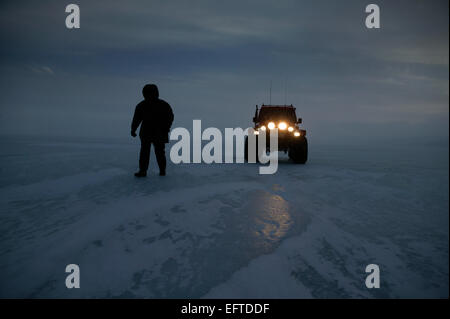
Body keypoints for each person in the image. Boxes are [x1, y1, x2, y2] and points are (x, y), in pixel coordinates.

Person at [131, 84, 174, 177]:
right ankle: (158, 171)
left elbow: (136, 119)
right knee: (156, 152)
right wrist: (167, 127)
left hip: (154, 132)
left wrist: (133, 130)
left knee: (150, 152)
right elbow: (137, 119)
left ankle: (147, 171)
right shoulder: (163, 104)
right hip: (155, 132)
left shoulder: (142, 105)